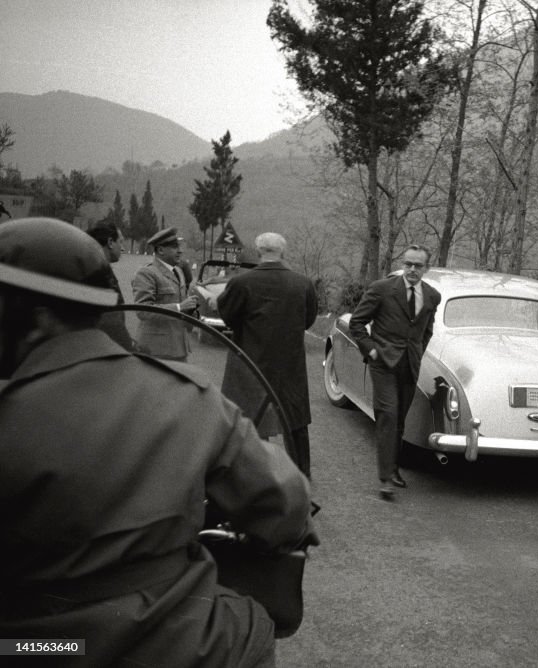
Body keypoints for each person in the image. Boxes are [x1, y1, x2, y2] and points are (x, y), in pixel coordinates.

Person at [0, 218, 316, 667]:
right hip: (174, 639)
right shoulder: (186, 396)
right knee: (252, 626)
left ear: (30, 315)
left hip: (29, 648)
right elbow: (284, 502)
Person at [217, 232, 318, 478]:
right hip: (289, 362)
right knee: (294, 418)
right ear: (283, 253)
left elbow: (227, 316)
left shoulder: (241, 283)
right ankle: (301, 472)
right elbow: (309, 320)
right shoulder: (303, 283)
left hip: (250, 361)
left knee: (248, 415)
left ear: (258, 251)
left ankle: (248, 469)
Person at [350, 244, 441, 499]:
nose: (412, 270)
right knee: (388, 415)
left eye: (418, 266)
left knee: (400, 419)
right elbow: (357, 323)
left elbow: (427, 331)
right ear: (403, 264)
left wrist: (418, 353)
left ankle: (394, 469)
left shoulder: (432, 296)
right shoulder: (382, 289)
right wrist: (371, 350)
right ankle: (385, 479)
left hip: (410, 364)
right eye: (408, 264)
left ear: (426, 268)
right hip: (383, 364)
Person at [131, 227, 198, 360]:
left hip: (178, 347)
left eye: (179, 246)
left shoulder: (178, 272)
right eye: (174, 247)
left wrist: (191, 311)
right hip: (156, 349)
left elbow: (182, 305)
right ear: (160, 250)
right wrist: (179, 307)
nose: (180, 251)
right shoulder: (147, 273)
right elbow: (143, 311)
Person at [86, 222, 134, 350]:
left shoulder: (100, 269)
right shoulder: (97, 274)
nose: (122, 248)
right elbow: (110, 322)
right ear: (110, 242)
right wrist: (130, 349)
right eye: (121, 242)